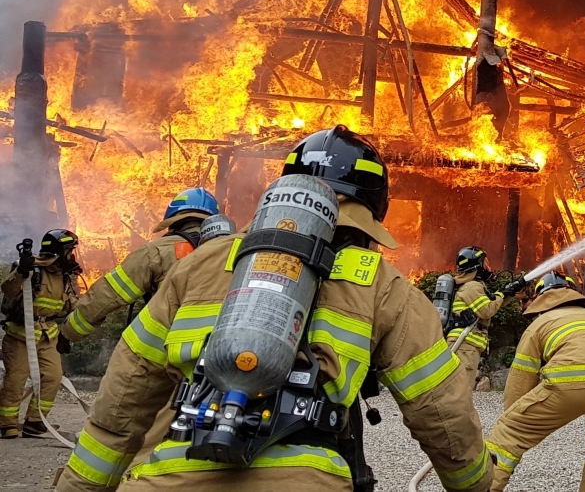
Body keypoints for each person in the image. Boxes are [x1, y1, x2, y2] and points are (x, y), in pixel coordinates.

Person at [57, 125, 491, 492]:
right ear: (375, 208)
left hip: (171, 474)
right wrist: (474, 483)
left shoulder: (202, 262)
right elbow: (441, 412)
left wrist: (81, 486)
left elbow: (122, 401)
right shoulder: (381, 283)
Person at [485, 272, 585, 492]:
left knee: (507, 434)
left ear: (542, 298)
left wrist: (514, 417)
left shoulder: (540, 323)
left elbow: (521, 377)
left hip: (567, 386)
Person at [59, 188, 219, 346]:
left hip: (168, 346)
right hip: (223, 346)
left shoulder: (155, 252)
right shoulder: (230, 249)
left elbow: (108, 295)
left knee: (124, 363)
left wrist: (69, 332)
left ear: (174, 218)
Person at [0, 230, 79, 439]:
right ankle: (6, 424)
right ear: (61, 252)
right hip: (20, 336)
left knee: (53, 376)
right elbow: (8, 289)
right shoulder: (30, 269)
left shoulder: (65, 276)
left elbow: (72, 306)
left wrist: (69, 334)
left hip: (48, 335)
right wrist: (21, 271)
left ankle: (35, 422)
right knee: (15, 379)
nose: (72, 256)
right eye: (70, 251)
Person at [448, 247, 514, 387]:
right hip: (464, 344)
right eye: (485, 263)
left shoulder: (472, 286)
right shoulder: (472, 287)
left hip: (465, 344)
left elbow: (492, 304)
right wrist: (501, 294)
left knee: (460, 390)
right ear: (477, 266)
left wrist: (509, 292)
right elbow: (487, 310)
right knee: (461, 390)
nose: (488, 267)